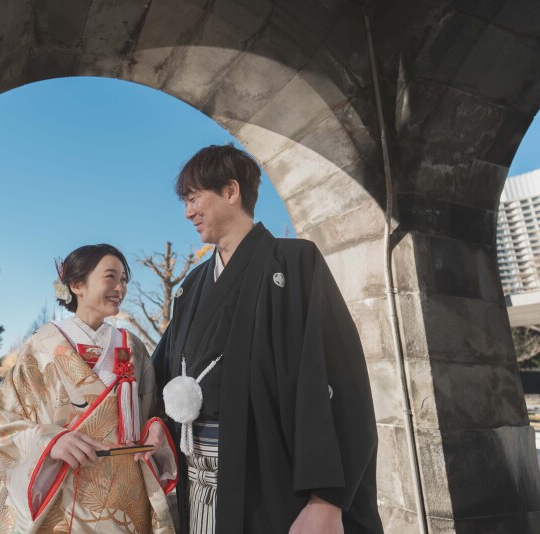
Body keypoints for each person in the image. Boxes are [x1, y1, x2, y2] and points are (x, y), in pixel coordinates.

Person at [153, 145, 384, 533]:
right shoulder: (190, 287)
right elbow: (157, 374)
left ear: (231, 191)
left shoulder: (296, 265)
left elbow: (343, 383)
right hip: (200, 483)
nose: (187, 212)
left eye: (194, 199)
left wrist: (326, 499)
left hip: (274, 483)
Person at [0, 244, 178, 534]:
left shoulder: (132, 347)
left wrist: (156, 428)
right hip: (62, 495)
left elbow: (152, 412)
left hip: (124, 501)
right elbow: (3, 419)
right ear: (76, 285)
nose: (120, 287)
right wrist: (50, 441)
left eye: (124, 279)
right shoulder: (41, 347)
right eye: (110, 277)